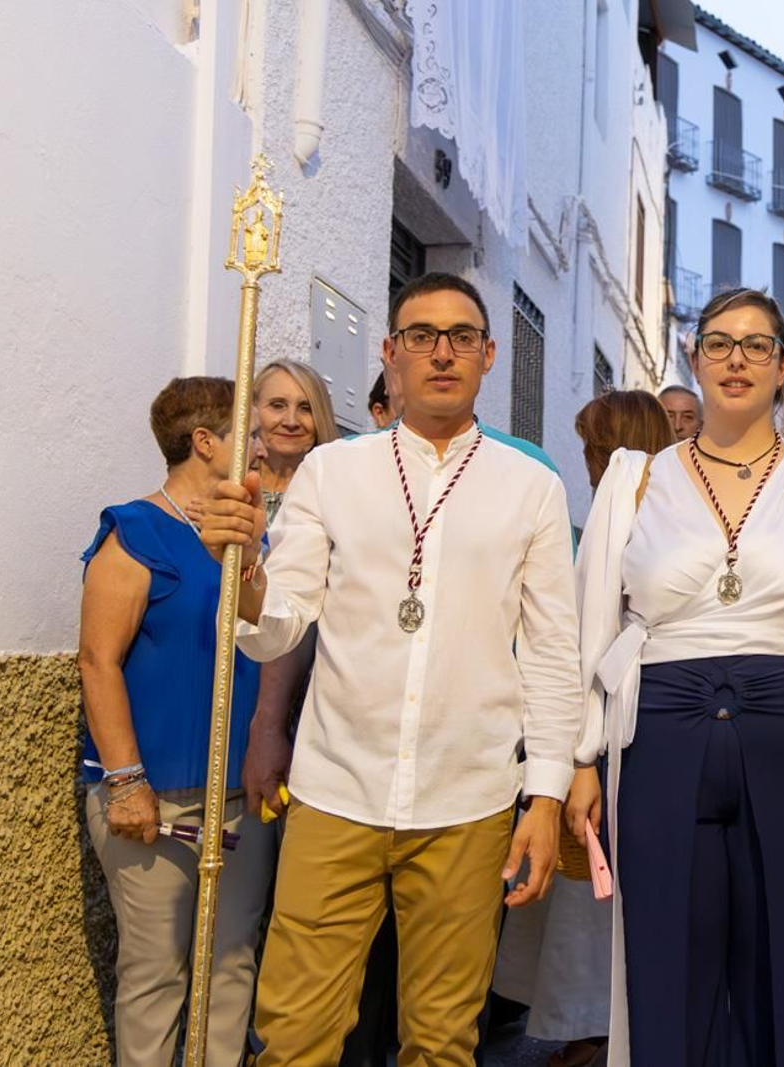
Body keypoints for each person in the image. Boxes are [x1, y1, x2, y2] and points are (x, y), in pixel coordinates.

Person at [199, 271, 585, 1064]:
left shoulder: (532, 489)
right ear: (390, 354)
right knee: (295, 1035)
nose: (441, 352)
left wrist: (544, 797)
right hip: (335, 790)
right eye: (420, 336)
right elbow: (279, 627)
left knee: (442, 1042)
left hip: (467, 800)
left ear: (488, 355)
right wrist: (246, 574)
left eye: (461, 337)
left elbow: (552, 654)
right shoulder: (333, 473)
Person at [566, 288, 784, 1066]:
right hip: (659, 735)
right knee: (665, 965)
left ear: (783, 367)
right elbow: (590, 627)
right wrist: (580, 759)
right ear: (693, 360)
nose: (737, 358)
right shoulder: (633, 479)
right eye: (719, 342)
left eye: (757, 345)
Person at [77, 376, 275, 1067]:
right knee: (157, 973)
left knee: (231, 968)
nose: (260, 445)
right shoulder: (135, 533)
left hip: (238, 797)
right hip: (153, 799)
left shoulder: (251, 537)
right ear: (204, 441)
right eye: (247, 433)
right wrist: (126, 779)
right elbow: (98, 660)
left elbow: (263, 627)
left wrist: (248, 551)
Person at [494, 389, 676, 1067]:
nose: (588, 462)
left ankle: (600, 1032)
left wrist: (579, 754)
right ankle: (590, 1028)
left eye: (592, 448)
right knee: (588, 900)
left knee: (598, 902)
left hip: (617, 728)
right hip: (603, 728)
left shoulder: (635, 511)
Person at [254, 358, 339, 525]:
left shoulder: (337, 494)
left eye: (305, 408)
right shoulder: (227, 487)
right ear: (252, 411)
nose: (291, 422)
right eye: (277, 405)